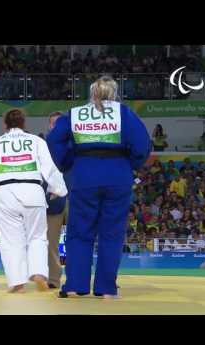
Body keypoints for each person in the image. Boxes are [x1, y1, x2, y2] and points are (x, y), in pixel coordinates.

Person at [47, 76, 151, 299]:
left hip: (84, 174)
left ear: (92, 93)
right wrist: (128, 164)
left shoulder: (75, 113)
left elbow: (54, 139)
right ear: (113, 94)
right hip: (117, 174)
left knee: (79, 232)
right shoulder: (124, 113)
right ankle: (106, 289)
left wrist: (66, 163)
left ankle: (75, 285)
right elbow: (142, 144)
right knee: (111, 234)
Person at [0, 109, 67, 293]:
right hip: (33, 190)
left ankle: (17, 282)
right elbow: (50, 168)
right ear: (24, 124)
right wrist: (58, 189)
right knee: (38, 236)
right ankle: (39, 273)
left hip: (4, 192)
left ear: (5, 125)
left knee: (11, 239)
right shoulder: (36, 141)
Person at [45, 111, 68, 289]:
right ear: (49, 126)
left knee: (81, 239)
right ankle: (53, 279)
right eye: (53, 123)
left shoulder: (76, 143)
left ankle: (79, 278)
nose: (55, 126)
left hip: (76, 197)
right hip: (53, 198)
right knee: (51, 241)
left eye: (59, 123)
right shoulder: (42, 147)